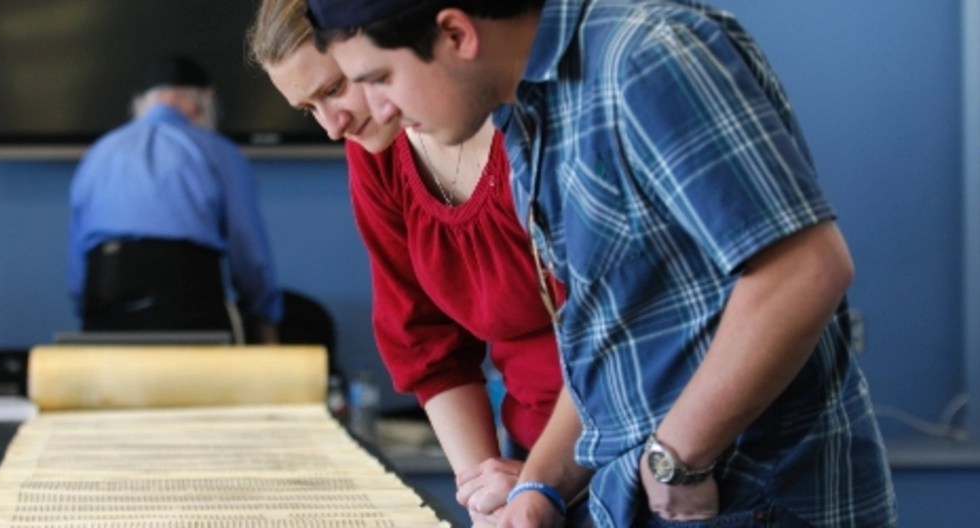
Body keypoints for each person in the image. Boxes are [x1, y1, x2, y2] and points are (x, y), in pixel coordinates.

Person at [306, 0, 898, 527]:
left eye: (380, 78)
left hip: (752, 491)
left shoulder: (643, 55)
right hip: (638, 491)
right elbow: (609, 334)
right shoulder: (530, 109)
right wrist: (541, 488)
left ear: (457, 34)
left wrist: (678, 458)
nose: (375, 108)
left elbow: (803, 271)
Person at [248, 1, 592, 524]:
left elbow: (617, 332)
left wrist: (543, 481)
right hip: (523, 459)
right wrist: (486, 497)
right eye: (307, 109)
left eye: (337, 88)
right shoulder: (376, 153)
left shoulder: (532, 126)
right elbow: (424, 342)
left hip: (629, 437)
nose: (333, 128)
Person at [68, 54, 282, 342]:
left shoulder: (98, 153)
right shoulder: (219, 152)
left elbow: (78, 259)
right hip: (187, 301)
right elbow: (248, 249)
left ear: (143, 103)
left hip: (105, 300)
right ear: (204, 101)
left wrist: (89, 314)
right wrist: (265, 315)